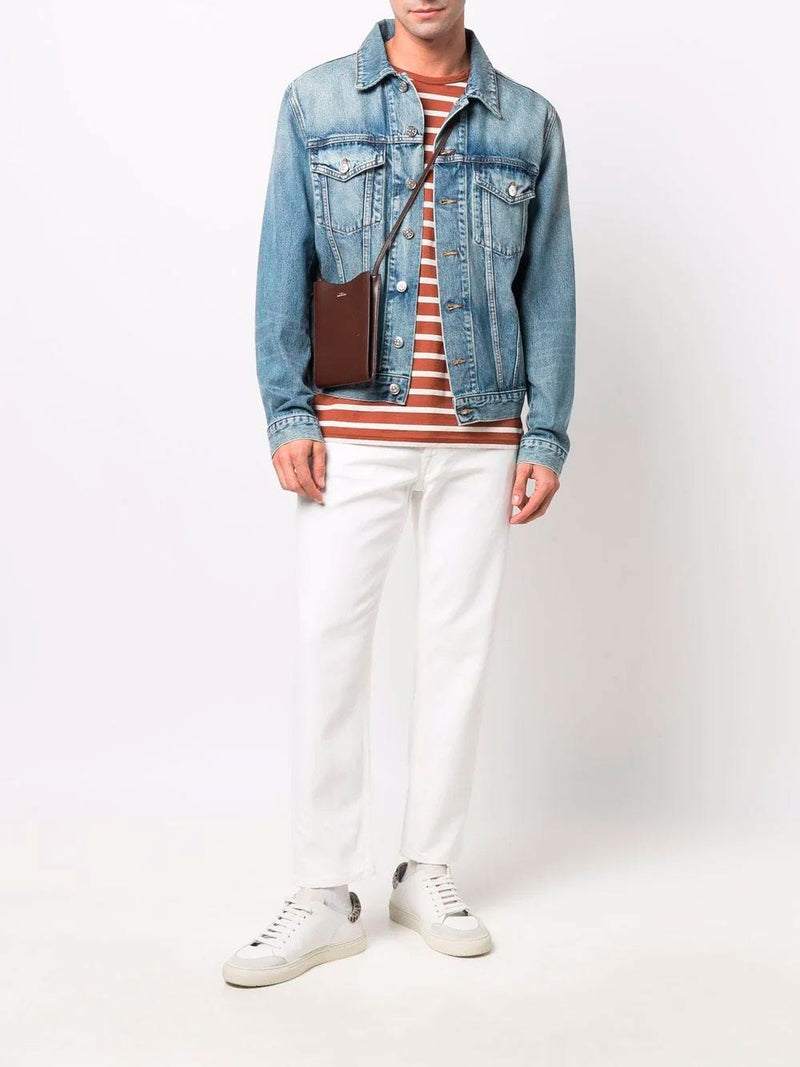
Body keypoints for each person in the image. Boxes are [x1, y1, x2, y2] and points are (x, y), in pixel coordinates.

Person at [222, 2, 575, 987]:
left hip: (479, 434)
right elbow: (281, 262)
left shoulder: (527, 120)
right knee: (328, 647)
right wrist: (288, 412)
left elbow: (548, 288)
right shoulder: (316, 102)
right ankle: (323, 890)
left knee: (456, 651)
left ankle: (428, 869)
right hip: (353, 435)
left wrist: (544, 431)